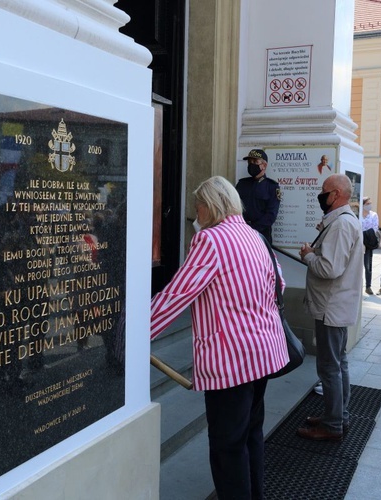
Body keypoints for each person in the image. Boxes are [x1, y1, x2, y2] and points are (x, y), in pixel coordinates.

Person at [150, 176, 289, 499]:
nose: (195, 212)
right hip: (265, 353)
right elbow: (278, 285)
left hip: (233, 362)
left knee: (227, 446)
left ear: (210, 206)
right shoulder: (255, 236)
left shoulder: (211, 240)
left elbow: (177, 294)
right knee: (251, 435)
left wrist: (133, 333)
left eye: (197, 205)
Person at [295, 174, 362, 442]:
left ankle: (333, 425)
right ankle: (337, 417)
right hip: (334, 306)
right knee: (338, 364)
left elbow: (329, 268)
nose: (320, 195)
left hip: (331, 307)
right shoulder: (341, 222)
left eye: (324, 191)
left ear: (335, 194)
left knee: (329, 367)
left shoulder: (342, 225)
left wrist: (309, 255)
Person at [235, 149, 281, 243]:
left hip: (261, 236)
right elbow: (234, 208)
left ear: (264, 165)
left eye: (255, 162)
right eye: (250, 162)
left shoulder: (272, 187)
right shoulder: (242, 184)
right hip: (241, 235)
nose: (252, 164)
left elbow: (271, 215)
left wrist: (252, 230)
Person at [361, 197, 380, 295]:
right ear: (363, 204)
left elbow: (375, 228)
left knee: (368, 265)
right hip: (358, 243)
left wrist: (365, 234)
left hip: (368, 243)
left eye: (370, 203)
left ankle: (368, 286)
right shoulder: (358, 215)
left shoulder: (373, 215)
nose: (369, 205)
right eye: (367, 203)